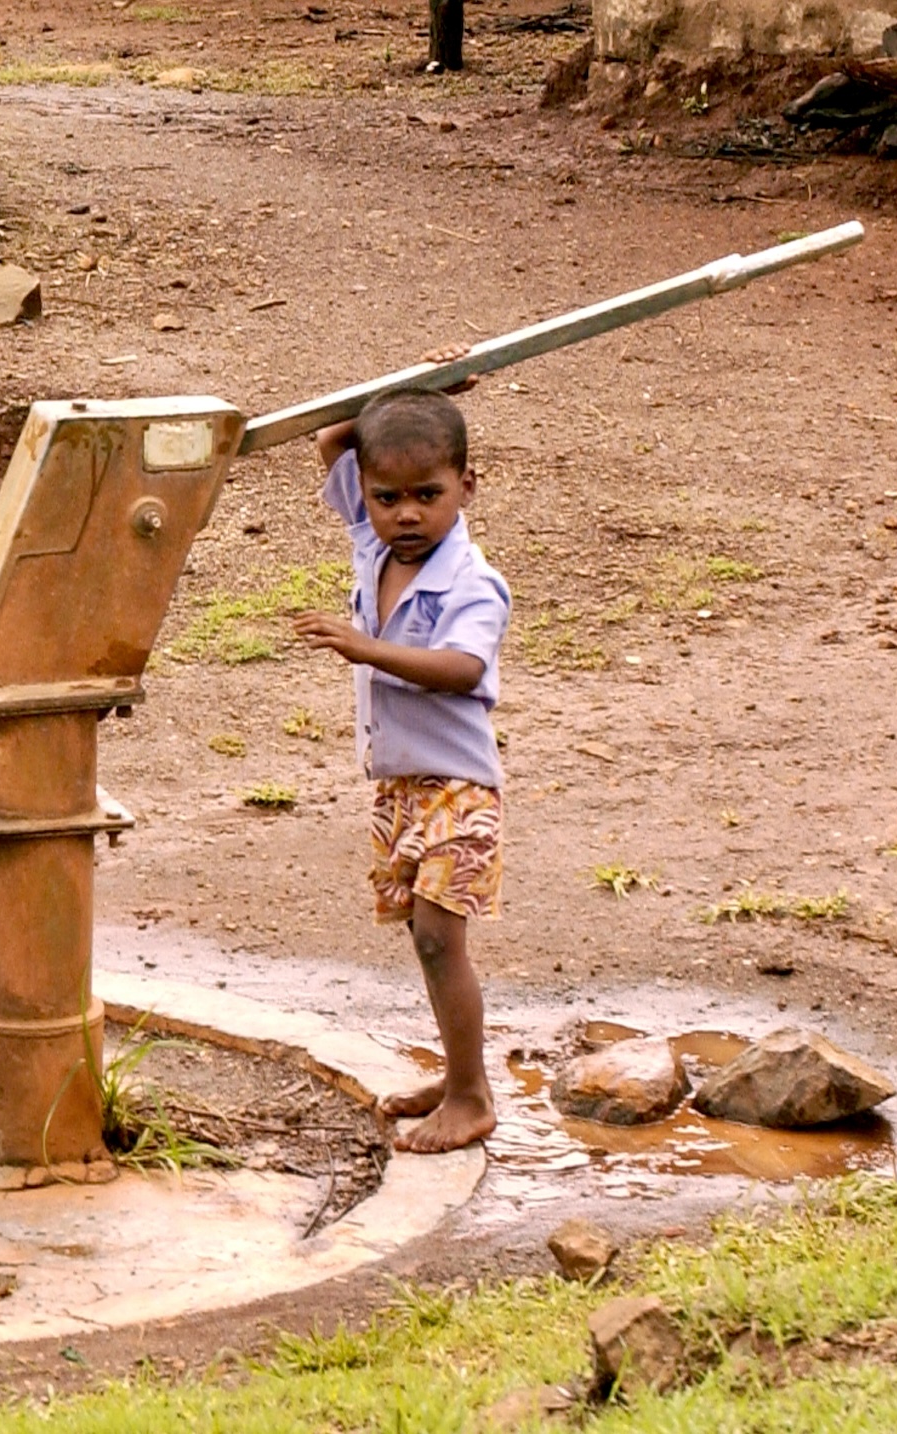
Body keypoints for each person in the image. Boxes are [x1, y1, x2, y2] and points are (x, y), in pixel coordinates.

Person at [293, 372, 507, 1154]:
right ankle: (456, 1078)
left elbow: (459, 668)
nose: (406, 514)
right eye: (386, 497)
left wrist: (365, 647)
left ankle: (472, 1096)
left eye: (427, 494)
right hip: (399, 786)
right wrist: (425, 382)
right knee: (422, 938)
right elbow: (330, 437)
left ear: (465, 488)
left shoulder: (472, 582)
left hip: (457, 788)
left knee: (436, 939)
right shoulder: (371, 544)